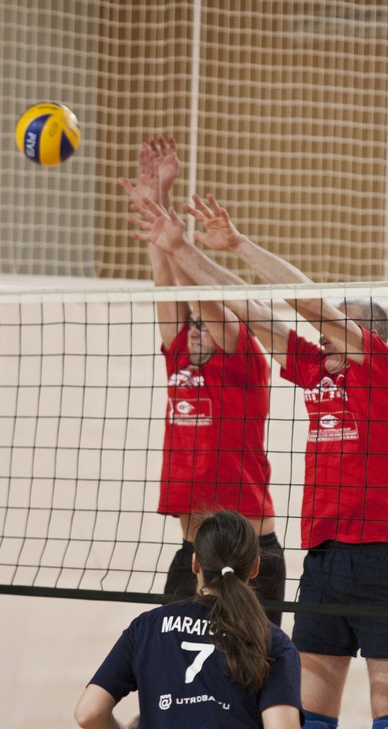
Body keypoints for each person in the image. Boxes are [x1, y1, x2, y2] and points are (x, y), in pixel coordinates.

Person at [126, 189, 388, 729]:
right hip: (323, 558)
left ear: (366, 335)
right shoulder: (315, 371)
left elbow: (306, 304)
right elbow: (251, 310)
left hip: (383, 557)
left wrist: (240, 244)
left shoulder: (384, 370)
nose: (321, 340)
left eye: (334, 329)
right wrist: (182, 249)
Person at [118, 136, 285, 625]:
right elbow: (165, 286)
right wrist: (158, 202)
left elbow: (205, 298)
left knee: (251, 667)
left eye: (202, 325)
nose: (192, 331)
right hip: (193, 553)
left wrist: (178, 239)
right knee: (171, 659)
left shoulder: (241, 359)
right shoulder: (180, 362)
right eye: (188, 326)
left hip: (248, 554)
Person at [75, 509, 309, 729]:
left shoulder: (147, 627)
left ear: (195, 563)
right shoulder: (271, 640)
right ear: (255, 568)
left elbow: (88, 714)